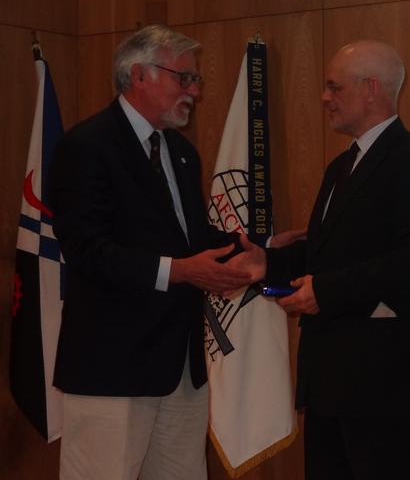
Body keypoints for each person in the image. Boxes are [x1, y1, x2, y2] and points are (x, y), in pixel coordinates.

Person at [232, 40, 410, 479]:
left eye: (334, 87)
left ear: (371, 89)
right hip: (330, 381)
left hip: (386, 386)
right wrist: (267, 264)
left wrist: (324, 292)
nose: (324, 97)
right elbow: (325, 252)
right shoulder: (339, 167)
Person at [48, 25, 256, 480]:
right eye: (184, 78)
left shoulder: (180, 151)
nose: (195, 92)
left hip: (179, 366)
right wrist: (178, 271)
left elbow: (189, 240)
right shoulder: (86, 147)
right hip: (112, 367)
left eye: (196, 80)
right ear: (138, 75)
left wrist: (252, 249)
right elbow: (87, 250)